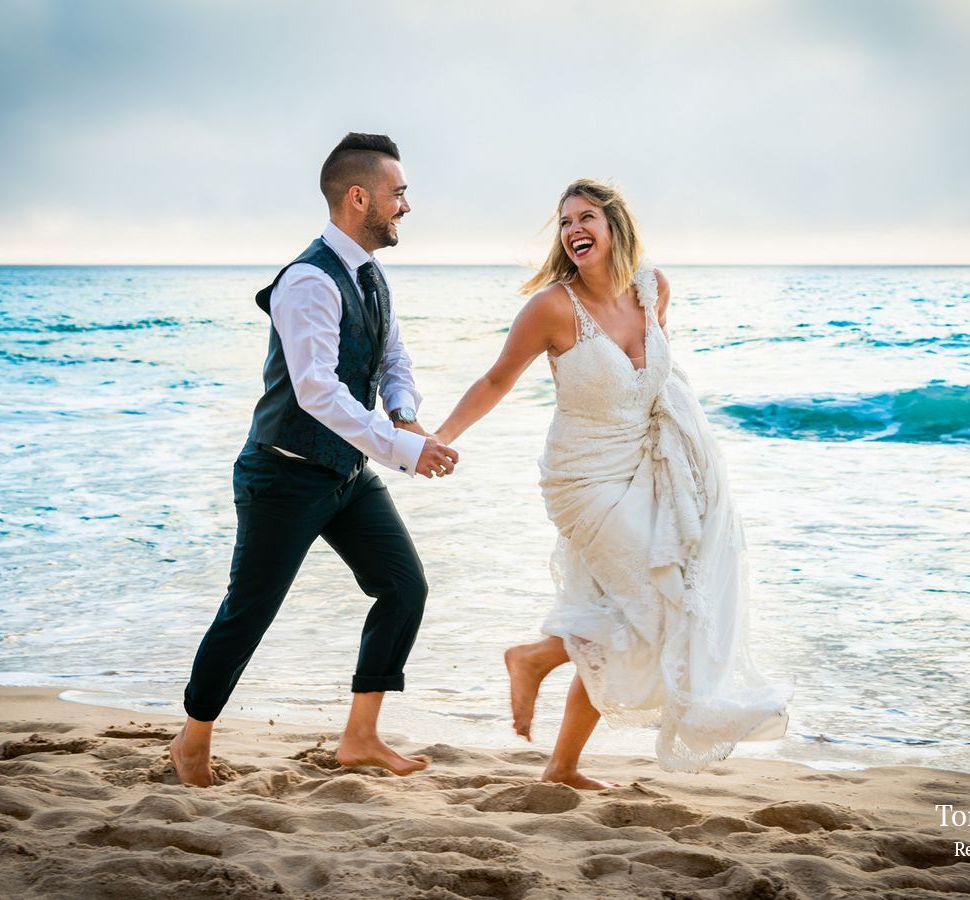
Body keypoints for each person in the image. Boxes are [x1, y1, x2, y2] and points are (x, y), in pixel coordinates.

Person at [433, 179, 789, 789]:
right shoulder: (552, 307)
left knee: (617, 611)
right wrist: (438, 439)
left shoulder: (653, 288)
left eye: (587, 217)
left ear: (615, 225)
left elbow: (661, 381)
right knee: (656, 604)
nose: (574, 230)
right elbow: (496, 380)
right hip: (584, 478)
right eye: (566, 221)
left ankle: (562, 766)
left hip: (646, 467)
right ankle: (535, 657)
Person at [170, 133, 459, 786]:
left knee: (403, 587)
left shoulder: (370, 276)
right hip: (282, 474)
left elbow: (392, 358)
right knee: (249, 611)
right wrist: (407, 452)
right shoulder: (306, 281)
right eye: (398, 193)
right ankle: (192, 741)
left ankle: (359, 737)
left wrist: (405, 413)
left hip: (347, 476)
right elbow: (319, 393)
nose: (406, 206)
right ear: (359, 198)